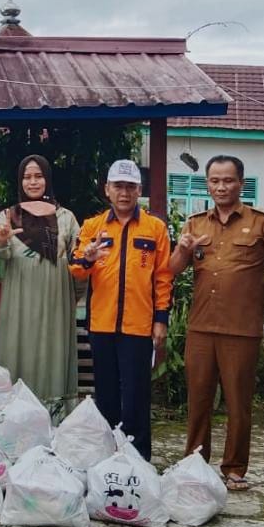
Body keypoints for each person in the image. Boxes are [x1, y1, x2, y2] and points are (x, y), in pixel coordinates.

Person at [168, 154, 264, 491]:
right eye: (215, 181)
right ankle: (194, 461)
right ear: (207, 184)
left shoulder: (262, 221)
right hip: (202, 325)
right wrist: (182, 248)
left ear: (241, 183)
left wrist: (257, 304)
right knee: (199, 398)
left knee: (238, 401)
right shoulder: (194, 223)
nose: (221, 187)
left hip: (242, 329)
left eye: (228, 180)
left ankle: (234, 468)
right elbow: (174, 268)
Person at [70, 159, 172, 460]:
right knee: (107, 394)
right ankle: (107, 457)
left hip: (138, 326)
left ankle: (138, 459)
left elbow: (163, 276)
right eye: (118, 186)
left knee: (136, 396)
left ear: (139, 190)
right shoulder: (93, 226)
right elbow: (75, 268)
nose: (124, 193)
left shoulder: (155, 228)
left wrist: (161, 320)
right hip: (101, 325)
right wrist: (88, 257)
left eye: (130, 187)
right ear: (107, 190)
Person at [0, 155, 82, 412]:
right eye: (27, 176)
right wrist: (1, 240)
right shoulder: (8, 216)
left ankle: (54, 420)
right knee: (17, 353)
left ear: (47, 179)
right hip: (19, 302)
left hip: (56, 302)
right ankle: (13, 417)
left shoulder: (66, 218)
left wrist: (75, 295)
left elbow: (80, 260)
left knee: (52, 355)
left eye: (38, 176)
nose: (33, 182)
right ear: (20, 181)